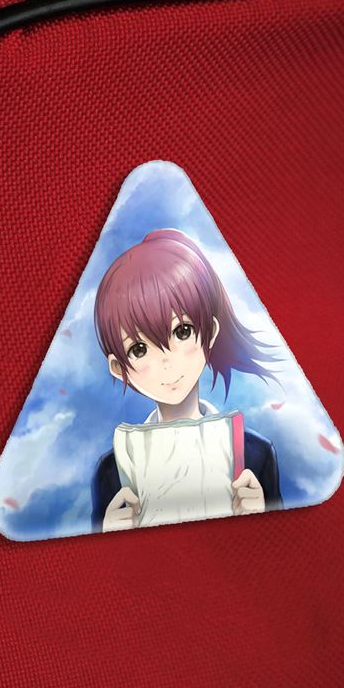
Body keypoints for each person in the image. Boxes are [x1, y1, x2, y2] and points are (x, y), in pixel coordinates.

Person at [91, 228, 283, 532]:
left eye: (182, 332)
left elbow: (282, 546)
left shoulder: (255, 455)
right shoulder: (112, 472)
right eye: (139, 349)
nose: (167, 362)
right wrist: (109, 536)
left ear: (211, 333)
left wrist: (262, 520)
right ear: (118, 368)